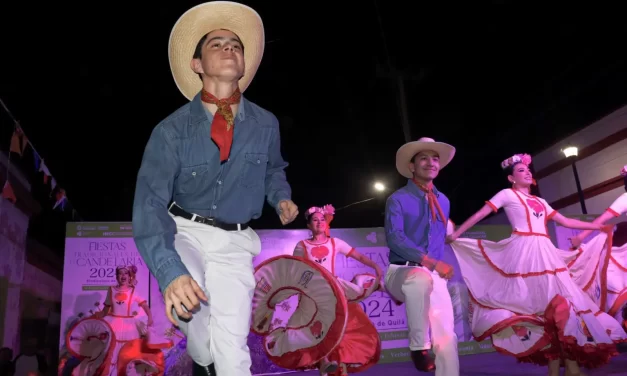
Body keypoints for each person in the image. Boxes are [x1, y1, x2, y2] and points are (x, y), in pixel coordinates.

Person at [132, 2, 298, 375]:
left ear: (244, 62)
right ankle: (200, 352)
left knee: (232, 341)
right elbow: (149, 203)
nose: (229, 49)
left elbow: (274, 169)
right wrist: (169, 270)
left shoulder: (266, 124)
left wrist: (281, 196)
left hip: (235, 242)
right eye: (216, 44)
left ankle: (209, 358)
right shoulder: (170, 131)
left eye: (236, 45)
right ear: (197, 64)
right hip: (184, 232)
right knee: (193, 306)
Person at [446, 153, 627, 376]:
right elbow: (481, 214)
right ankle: (562, 365)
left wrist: (596, 228)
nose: (527, 172)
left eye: (528, 170)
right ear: (511, 178)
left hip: (545, 251)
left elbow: (566, 221)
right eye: (521, 171)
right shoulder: (506, 194)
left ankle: (562, 365)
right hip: (524, 252)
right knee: (540, 309)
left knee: (562, 305)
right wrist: (457, 234)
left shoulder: (541, 201)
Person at [383, 137, 459, 375]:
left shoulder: (443, 200)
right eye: (423, 158)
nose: (431, 163)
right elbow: (394, 238)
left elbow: (438, 237)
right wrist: (431, 262)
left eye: (435, 158)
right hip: (401, 272)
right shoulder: (397, 199)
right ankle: (419, 347)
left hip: (432, 274)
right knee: (419, 278)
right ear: (412, 167)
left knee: (447, 335)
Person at [292, 205, 382, 375]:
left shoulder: (335, 243)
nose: (319, 222)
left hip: (332, 288)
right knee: (313, 326)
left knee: (335, 327)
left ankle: (331, 362)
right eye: (315, 220)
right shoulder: (302, 245)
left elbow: (359, 256)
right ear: (309, 226)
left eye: (322, 219)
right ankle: (324, 361)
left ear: (326, 224)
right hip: (311, 292)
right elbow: (296, 270)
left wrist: (375, 265)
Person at [569, 165, 627, 325]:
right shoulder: (625, 198)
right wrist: (581, 237)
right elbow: (602, 220)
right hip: (623, 248)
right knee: (616, 286)